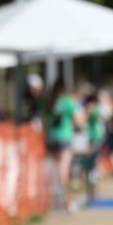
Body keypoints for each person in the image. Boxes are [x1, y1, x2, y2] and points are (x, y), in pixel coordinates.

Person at [45, 79, 86, 212]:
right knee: (64, 170)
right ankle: (68, 201)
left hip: (51, 137)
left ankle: (53, 201)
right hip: (64, 137)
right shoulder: (67, 102)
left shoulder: (50, 102)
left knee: (54, 169)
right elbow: (79, 120)